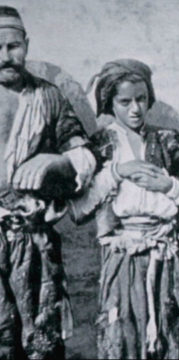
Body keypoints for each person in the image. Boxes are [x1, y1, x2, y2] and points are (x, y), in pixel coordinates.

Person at [69, 59, 179, 359]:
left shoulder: (168, 141)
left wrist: (169, 187)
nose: (135, 108)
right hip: (123, 257)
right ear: (110, 103)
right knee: (124, 336)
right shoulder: (100, 147)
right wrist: (118, 172)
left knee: (176, 333)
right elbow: (79, 209)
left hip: (168, 254)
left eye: (141, 99)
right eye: (125, 101)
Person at [0, 6, 96, 359]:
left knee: (42, 341)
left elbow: (84, 157)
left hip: (34, 237)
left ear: (26, 43)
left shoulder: (48, 97)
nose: (6, 57)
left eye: (13, 46)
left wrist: (54, 161)